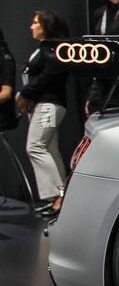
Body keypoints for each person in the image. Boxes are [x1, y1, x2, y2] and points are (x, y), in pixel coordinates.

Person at [18, 11, 70, 217]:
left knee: (35, 147)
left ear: (46, 26)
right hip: (43, 104)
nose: (31, 26)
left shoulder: (54, 49)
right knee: (50, 149)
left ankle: (60, 196)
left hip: (49, 104)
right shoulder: (43, 49)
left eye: (35, 23)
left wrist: (25, 92)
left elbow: (50, 76)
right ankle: (57, 197)